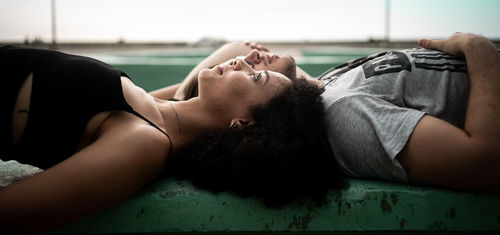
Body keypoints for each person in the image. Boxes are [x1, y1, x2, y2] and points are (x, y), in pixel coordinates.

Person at [0, 45, 342, 233]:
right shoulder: (167, 106)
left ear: (244, 126)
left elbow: (13, 213)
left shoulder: (146, 143)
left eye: (255, 78)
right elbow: (236, 48)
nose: (243, 63)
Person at [167, 33, 500, 193]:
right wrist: (480, 50)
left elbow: (232, 53)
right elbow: (484, 162)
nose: (249, 56)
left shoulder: (323, 92)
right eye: (256, 74)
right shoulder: (342, 117)